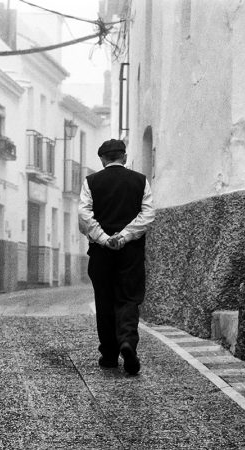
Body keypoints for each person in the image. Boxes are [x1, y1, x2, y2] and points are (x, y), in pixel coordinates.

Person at [78, 139, 155, 375]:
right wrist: (124, 236)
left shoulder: (91, 182)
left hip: (101, 253)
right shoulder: (140, 180)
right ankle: (128, 342)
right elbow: (148, 214)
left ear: (102, 159)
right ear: (124, 156)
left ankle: (110, 356)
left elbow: (84, 214)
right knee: (129, 298)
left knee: (104, 300)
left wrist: (104, 238)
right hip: (130, 252)